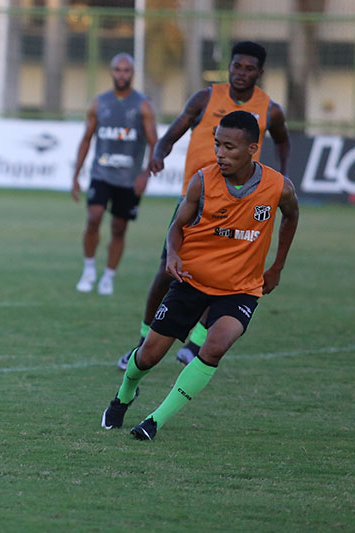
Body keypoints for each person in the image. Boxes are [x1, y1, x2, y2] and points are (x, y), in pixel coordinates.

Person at [101, 111, 299, 441]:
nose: (220, 153)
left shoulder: (279, 187)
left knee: (216, 346)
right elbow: (177, 228)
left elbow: (292, 217)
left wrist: (277, 266)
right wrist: (174, 254)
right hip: (192, 282)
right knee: (148, 356)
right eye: (217, 145)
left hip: (241, 290)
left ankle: (153, 421)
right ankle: (124, 395)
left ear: (253, 148)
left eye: (229, 147)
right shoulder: (203, 181)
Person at [117, 40, 290, 369]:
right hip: (195, 197)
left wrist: (282, 174)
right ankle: (144, 339)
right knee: (167, 271)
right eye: (236, 66)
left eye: (249, 68)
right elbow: (174, 132)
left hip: (241, 201)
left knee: (226, 274)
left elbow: (283, 139)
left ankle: (196, 343)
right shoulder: (206, 98)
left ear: (260, 73)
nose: (241, 73)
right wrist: (158, 154)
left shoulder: (270, 109)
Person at [71, 52, 157, 296]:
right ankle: (89, 270)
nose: (122, 75)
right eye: (118, 70)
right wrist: (76, 175)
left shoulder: (142, 105)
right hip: (101, 174)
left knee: (119, 227)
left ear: (132, 74)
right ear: (111, 72)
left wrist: (145, 175)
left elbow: (154, 142)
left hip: (128, 180)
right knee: (94, 217)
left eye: (126, 70)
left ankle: (108, 275)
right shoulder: (99, 103)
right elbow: (86, 139)